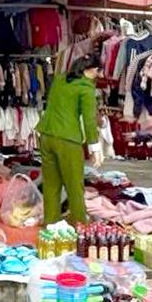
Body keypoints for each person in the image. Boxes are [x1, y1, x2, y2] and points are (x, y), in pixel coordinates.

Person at [39, 56, 101, 225]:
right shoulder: (86, 89)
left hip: (46, 134)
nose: (97, 75)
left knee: (51, 185)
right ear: (90, 70)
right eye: (97, 71)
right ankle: (79, 225)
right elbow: (89, 120)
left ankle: (50, 225)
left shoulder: (59, 80)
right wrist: (95, 149)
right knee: (74, 186)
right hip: (68, 139)